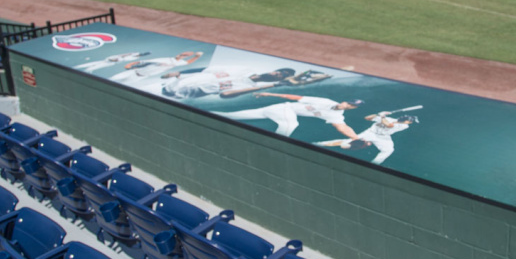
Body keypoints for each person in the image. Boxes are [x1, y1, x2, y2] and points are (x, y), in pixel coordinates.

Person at [214, 92, 362, 138]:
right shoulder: (324, 100)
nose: (349, 106)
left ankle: (213, 113)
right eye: (349, 103)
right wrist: (269, 93)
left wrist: (356, 138)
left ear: (353, 109)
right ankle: (275, 143)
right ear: (345, 101)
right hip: (283, 108)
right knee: (291, 124)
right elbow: (296, 97)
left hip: (279, 111)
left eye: (353, 106)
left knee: (231, 116)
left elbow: (342, 127)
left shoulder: (337, 116)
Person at [161, 67, 329, 100]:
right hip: (169, 83)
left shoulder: (252, 88)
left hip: (174, 96)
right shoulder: (242, 70)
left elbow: (225, 95)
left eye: (282, 75)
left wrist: (276, 86)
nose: (279, 74)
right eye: (281, 71)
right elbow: (207, 68)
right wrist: (180, 72)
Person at [315, 111, 418, 165]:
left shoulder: (404, 126)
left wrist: (382, 117)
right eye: (410, 121)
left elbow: (389, 125)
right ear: (406, 120)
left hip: (383, 138)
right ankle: (319, 143)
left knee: (389, 150)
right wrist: (378, 114)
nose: (411, 123)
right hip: (370, 133)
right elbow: (367, 118)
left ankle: (374, 164)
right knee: (347, 142)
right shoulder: (389, 118)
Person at [109, 51, 204, 85]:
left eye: (184, 56)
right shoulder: (167, 59)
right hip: (133, 72)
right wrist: (130, 64)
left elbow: (187, 62)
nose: (182, 56)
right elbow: (144, 61)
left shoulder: (176, 63)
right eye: (182, 55)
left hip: (140, 77)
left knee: (119, 85)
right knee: (111, 80)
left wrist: (197, 57)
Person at [74, 51, 150, 73]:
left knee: (94, 67)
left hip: (111, 63)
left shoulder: (133, 57)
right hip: (109, 60)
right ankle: (77, 68)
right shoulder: (132, 54)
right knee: (90, 64)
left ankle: (87, 71)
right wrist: (115, 59)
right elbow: (124, 54)